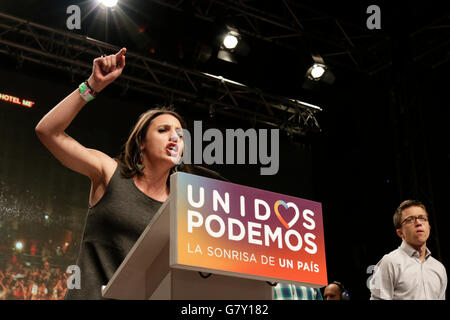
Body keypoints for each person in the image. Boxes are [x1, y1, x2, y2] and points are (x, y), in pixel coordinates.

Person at [35, 48, 193, 299]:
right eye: (163, 130)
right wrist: (92, 86)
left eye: (180, 135)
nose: (175, 137)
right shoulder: (109, 173)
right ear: (141, 142)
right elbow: (48, 132)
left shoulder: (184, 206)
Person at [369, 200, 447, 300]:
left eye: (422, 218)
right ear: (400, 233)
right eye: (410, 219)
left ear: (429, 227)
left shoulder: (439, 268)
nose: (418, 223)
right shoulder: (389, 262)